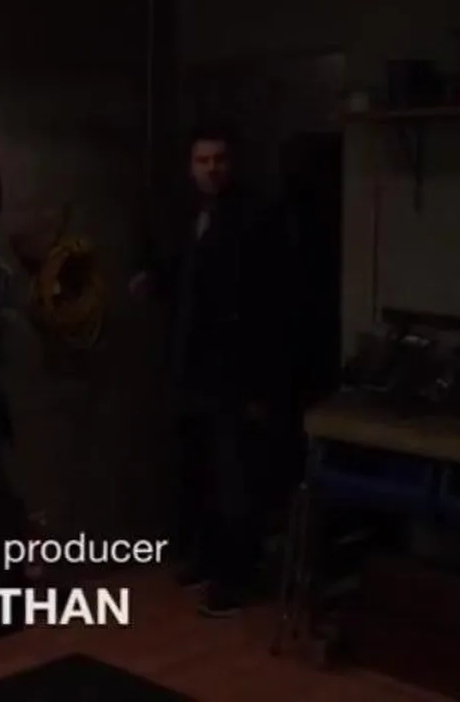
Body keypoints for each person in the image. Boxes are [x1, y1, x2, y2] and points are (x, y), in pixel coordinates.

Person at [131, 125, 294, 617]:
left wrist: (260, 385)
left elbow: (268, 302)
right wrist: (154, 280)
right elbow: (188, 275)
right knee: (198, 469)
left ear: (233, 163)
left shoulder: (255, 217)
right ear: (191, 166)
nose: (211, 169)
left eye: (219, 159)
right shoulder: (193, 215)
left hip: (233, 372)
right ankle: (206, 559)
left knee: (234, 478)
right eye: (203, 160)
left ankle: (235, 577)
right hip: (193, 367)